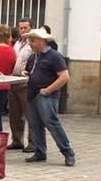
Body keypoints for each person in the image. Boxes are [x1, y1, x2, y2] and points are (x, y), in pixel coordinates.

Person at [23, 28, 75, 167]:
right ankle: (40, 152)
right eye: (29, 40)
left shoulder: (54, 56)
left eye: (32, 40)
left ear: (42, 41)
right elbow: (29, 71)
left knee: (51, 123)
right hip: (33, 94)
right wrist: (25, 74)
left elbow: (64, 77)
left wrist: (48, 90)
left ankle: (68, 152)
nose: (30, 43)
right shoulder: (34, 57)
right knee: (35, 125)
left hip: (47, 96)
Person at [8, 18, 34, 152]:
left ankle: (33, 142)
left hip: (26, 83)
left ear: (31, 28)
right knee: (15, 114)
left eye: (25, 28)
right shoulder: (17, 43)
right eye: (21, 28)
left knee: (30, 114)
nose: (23, 30)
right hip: (14, 81)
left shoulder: (33, 44)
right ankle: (17, 140)